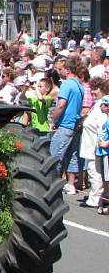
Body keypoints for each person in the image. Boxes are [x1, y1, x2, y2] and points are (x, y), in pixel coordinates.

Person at [49, 61, 85, 195]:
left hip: (65, 124)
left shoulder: (67, 85)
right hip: (74, 124)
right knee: (72, 155)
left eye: (60, 69)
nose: (59, 72)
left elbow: (61, 105)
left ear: (68, 70)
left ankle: (53, 183)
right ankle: (70, 184)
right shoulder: (79, 86)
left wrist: (54, 119)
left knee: (55, 155)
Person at [80, 78, 109, 208]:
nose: (92, 92)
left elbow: (102, 127)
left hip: (96, 146)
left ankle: (95, 199)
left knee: (95, 173)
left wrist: (102, 146)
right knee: (95, 172)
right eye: (91, 89)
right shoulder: (97, 105)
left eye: (95, 89)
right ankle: (99, 197)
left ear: (103, 90)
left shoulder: (102, 106)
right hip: (90, 144)